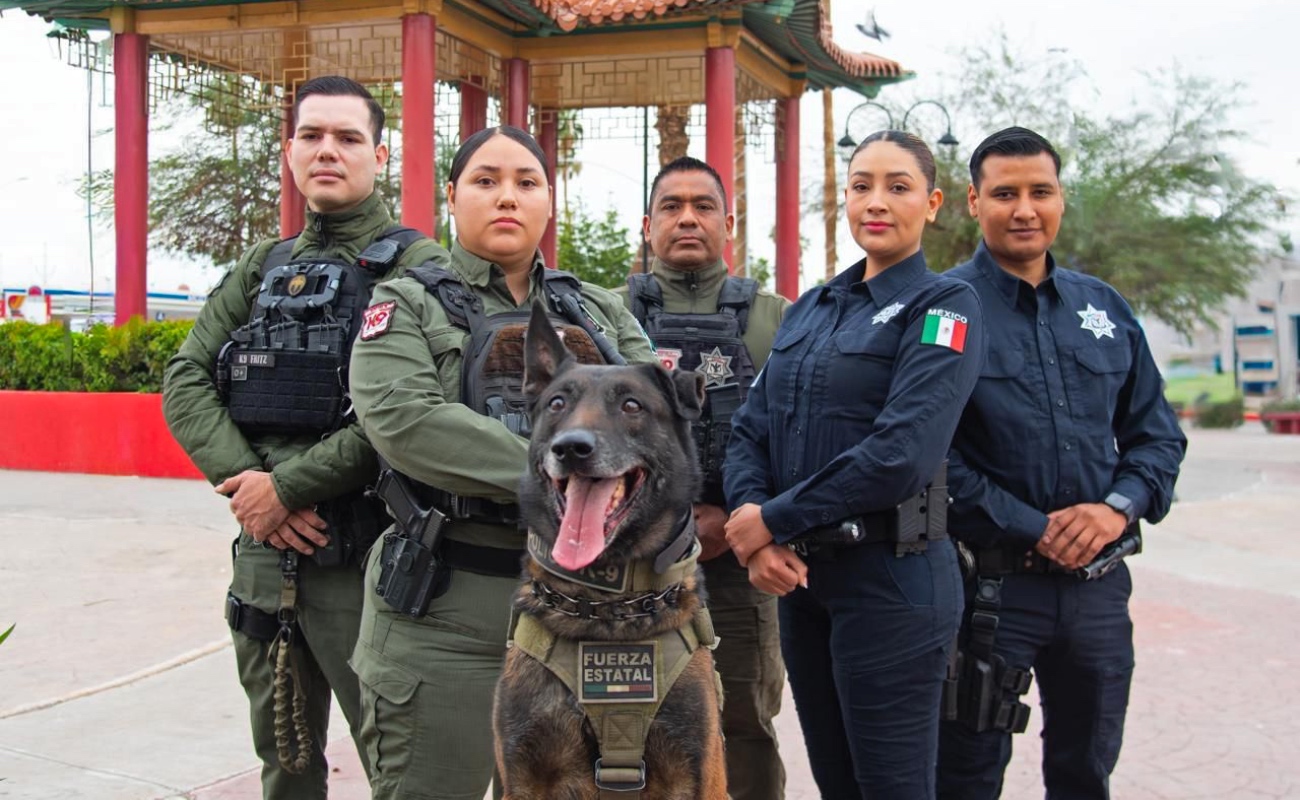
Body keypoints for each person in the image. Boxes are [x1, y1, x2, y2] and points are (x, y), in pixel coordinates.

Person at [346, 124, 656, 800]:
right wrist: (575, 461)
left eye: (527, 182)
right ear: (452, 196)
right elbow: (408, 422)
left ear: (552, 200)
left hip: (582, 615)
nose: (506, 197)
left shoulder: (600, 311)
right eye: (485, 181)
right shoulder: (405, 304)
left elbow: (658, 423)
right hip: (445, 613)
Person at [163, 75, 450, 799]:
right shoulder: (263, 267)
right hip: (265, 561)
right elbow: (186, 378)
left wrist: (286, 488)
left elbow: (411, 410)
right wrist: (252, 486)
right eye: (312, 135)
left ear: (379, 155)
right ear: (289, 151)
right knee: (285, 767)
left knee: (401, 773)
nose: (329, 150)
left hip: (370, 561)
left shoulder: (420, 268)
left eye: (348, 138)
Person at [723, 130, 986, 799]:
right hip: (802, 584)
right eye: (861, 184)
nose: (877, 200)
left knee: (892, 788)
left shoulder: (944, 307)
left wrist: (773, 518)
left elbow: (901, 454)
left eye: (898, 187)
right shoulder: (812, 308)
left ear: (932, 203)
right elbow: (752, 430)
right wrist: (757, 532)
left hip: (892, 586)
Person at [936, 127, 1186, 799]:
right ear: (972, 201)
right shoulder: (943, 312)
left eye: (1039, 192)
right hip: (986, 593)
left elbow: (1158, 439)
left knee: (1086, 771)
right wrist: (1031, 525)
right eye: (1005, 193)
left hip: (1097, 592)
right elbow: (926, 457)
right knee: (964, 777)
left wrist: (1116, 508)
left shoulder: (1104, 308)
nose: (1024, 209)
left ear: (1061, 199)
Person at [615, 155, 791, 800]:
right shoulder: (604, 316)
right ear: (647, 225)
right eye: (671, 206)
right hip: (626, 568)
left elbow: (797, 437)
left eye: (704, 206)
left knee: (744, 721)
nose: (687, 218)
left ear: (729, 223)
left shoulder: (779, 320)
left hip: (740, 560)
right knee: (621, 724)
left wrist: (741, 519)